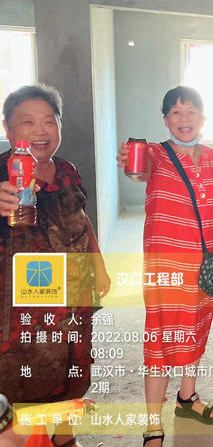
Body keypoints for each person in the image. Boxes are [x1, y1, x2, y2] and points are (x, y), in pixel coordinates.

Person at [117, 86, 213, 446]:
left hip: (207, 262)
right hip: (167, 266)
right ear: (165, 120)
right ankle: (153, 424)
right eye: (176, 112)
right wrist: (130, 159)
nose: (185, 119)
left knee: (197, 328)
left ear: (203, 117)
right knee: (161, 338)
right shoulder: (155, 154)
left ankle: (187, 397)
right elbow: (138, 171)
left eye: (192, 111)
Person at [0, 84, 111, 447]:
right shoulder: (2, 173)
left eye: (49, 120)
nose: (40, 130)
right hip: (21, 310)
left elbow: (81, 216)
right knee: (22, 379)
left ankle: (65, 438)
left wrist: (98, 263)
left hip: (73, 298)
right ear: (7, 128)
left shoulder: (67, 170)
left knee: (73, 369)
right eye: (27, 121)